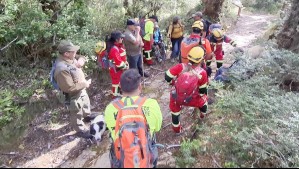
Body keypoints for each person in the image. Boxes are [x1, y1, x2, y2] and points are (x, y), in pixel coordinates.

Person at [104, 69, 163, 168]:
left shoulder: (110, 108)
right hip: (146, 152)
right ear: (140, 86)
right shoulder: (151, 104)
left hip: (121, 156)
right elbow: (157, 128)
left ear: (120, 87)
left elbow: (112, 132)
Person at [165, 46, 208, 133]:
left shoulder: (181, 66)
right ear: (201, 59)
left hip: (176, 96)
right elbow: (202, 91)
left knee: (175, 111)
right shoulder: (202, 73)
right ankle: (202, 116)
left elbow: (167, 76)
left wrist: (172, 83)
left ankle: (177, 130)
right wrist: (200, 96)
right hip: (191, 99)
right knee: (204, 101)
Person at [54, 40, 92, 138]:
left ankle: (87, 116)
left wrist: (81, 61)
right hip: (73, 95)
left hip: (81, 89)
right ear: (66, 54)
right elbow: (69, 88)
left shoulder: (71, 57)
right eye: (73, 51)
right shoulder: (61, 69)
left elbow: (81, 57)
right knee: (76, 110)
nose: (76, 53)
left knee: (85, 103)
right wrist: (85, 84)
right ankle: (80, 129)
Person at [107, 30, 129, 98]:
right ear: (116, 39)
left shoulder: (118, 46)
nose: (122, 39)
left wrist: (126, 62)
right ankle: (115, 96)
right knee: (116, 83)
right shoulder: (114, 49)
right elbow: (119, 63)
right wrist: (126, 66)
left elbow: (121, 58)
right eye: (121, 38)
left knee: (118, 82)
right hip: (115, 70)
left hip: (117, 69)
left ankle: (118, 93)